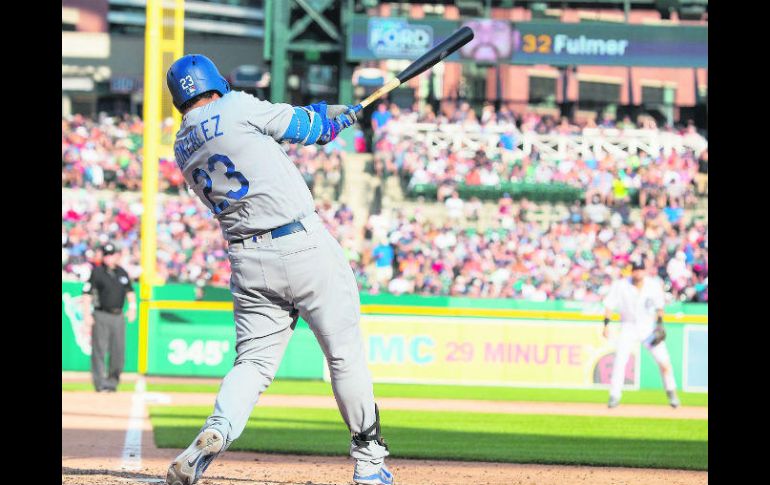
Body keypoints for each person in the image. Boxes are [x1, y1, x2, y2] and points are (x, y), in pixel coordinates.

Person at [164, 54, 393, 485]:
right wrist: (332, 118)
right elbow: (311, 130)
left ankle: (218, 429)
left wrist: (326, 116)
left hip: (247, 259)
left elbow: (301, 126)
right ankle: (369, 462)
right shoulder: (234, 106)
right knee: (343, 354)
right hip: (302, 244)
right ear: (217, 82)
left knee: (251, 363)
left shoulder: (181, 145)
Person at [602, 255, 680, 409]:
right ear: (632, 271)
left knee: (664, 361)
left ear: (645, 271)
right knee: (620, 361)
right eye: (635, 270)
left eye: (640, 270)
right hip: (628, 326)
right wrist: (606, 325)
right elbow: (609, 305)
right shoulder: (621, 285)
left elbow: (659, 307)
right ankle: (614, 396)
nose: (638, 273)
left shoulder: (653, 285)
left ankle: (671, 393)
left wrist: (660, 325)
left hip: (648, 328)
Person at [81, 243, 136, 392]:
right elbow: (87, 294)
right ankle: (99, 384)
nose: (109, 258)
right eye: (106, 255)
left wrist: (132, 308)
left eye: (111, 255)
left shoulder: (122, 273)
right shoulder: (97, 272)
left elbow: (130, 292)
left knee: (118, 351)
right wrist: (87, 314)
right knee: (99, 350)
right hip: (101, 314)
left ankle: (112, 382)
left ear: (117, 256)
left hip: (118, 315)